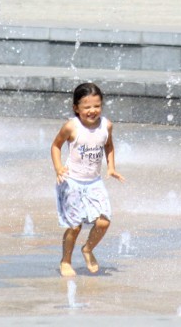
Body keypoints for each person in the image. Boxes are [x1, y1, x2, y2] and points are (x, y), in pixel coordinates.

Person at [51, 82, 124, 277]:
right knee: (75, 226)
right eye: (87, 107)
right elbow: (56, 146)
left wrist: (111, 167)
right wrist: (58, 168)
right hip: (72, 181)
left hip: (94, 182)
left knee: (103, 222)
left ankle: (88, 249)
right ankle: (66, 260)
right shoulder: (71, 126)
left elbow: (108, 146)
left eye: (97, 106)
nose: (92, 111)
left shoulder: (106, 125)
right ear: (76, 108)